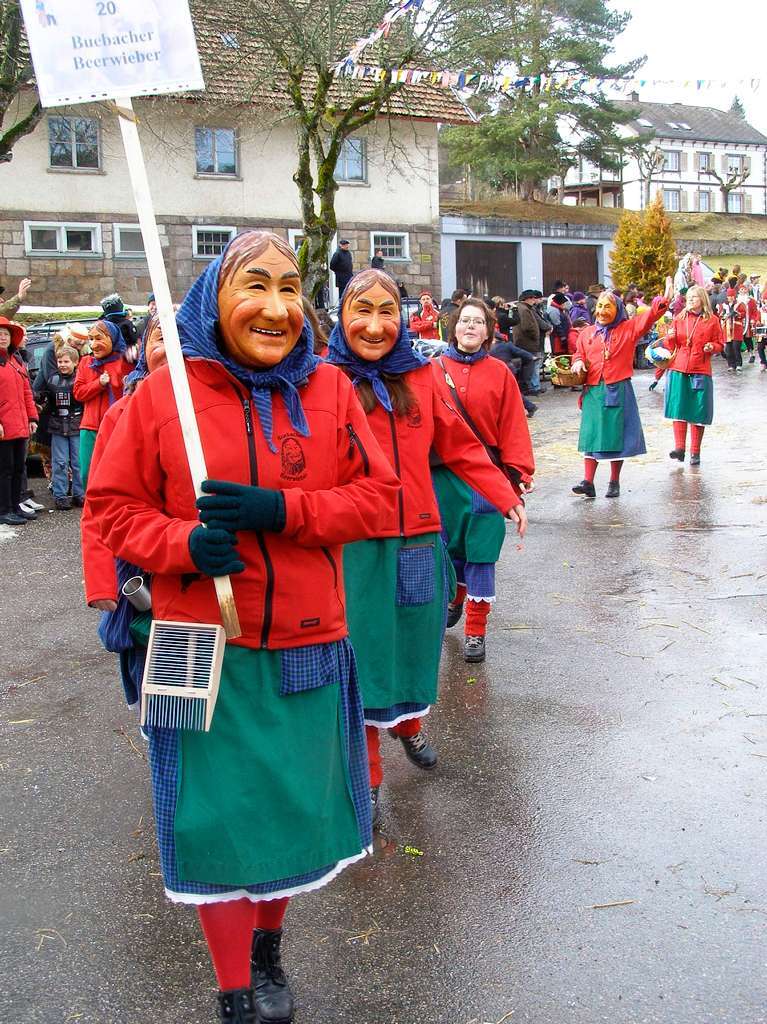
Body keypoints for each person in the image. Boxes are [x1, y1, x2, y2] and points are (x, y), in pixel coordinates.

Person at [87, 231, 400, 1024]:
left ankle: (267, 951)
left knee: (289, 816)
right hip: (192, 643)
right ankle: (233, 989)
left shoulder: (331, 392)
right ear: (212, 300)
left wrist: (286, 512)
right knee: (208, 820)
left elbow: (379, 498)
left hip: (306, 639)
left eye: (290, 287)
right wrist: (180, 544)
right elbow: (110, 509)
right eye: (253, 285)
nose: (274, 305)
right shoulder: (163, 397)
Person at [325, 269, 521, 822]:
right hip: (357, 544)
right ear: (342, 315)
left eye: (387, 310)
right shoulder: (324, 381)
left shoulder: (424, 376)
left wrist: (504, 492)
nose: (375, 323)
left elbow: (460, 444)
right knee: (361, 659)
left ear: (403, 318)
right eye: (362, 309)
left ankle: (409, 728)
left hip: (417, 539)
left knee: (414, 648)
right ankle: (367, 778)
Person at [432, 299, 534, 662]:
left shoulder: (501, 373)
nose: (470, 327)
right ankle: (455, 598)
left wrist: (519, 472)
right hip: (443, 478)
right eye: (464, 321)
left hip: (488, 478)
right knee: (449, 550)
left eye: (478, 322)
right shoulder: (430, 371)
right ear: (453, 327)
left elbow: (513, 427)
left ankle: (476, 631)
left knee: (482, 553)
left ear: (489, 331)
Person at [570, 278, 672, 499]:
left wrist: (664, 299)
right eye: (599, 306)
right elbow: (579, 353)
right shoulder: (587, 333)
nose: (602, 311)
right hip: (593, 390)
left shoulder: (628, 328)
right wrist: (577, 362)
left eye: (608, 306)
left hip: (618, 388)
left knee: (617, 437)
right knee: (592, 436)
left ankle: (614, 482)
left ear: (617, 310)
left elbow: (650, 316)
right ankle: (588, 482)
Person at [663, 286, 724, 466]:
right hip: (679, 368)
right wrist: (670, 337)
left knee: (698, 412)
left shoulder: (712, 320)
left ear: (703, 299)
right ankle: (679, 448)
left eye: (695, 297)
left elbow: (720, 344)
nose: (690, 300)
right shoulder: (678, 318)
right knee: (679, 408)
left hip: (700, 368)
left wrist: (711, 347)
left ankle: (695, 452)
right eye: (688, 297)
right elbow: (670, 345)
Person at [74, 320, 132, 487]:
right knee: (87, 474)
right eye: (90, 339)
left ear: (112, 338)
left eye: (98, 338)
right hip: (90, 427)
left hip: (115, 426)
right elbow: (78, 393)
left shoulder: (124, 362)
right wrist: (99, 383)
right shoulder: (86, 363)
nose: (93, 344)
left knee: (114, 474)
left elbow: (128, 393)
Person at [0, 317, 38, 526]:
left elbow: (26, 392)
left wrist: (32, 417)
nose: (2, 337)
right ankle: (3, 509)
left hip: (19, 424)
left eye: (5, 334)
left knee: (17, 468)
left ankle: (14, 506)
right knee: (4, 470)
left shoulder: (15, 361)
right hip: (3, 427)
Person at [38, 344, 85, 510]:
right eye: (59, 361)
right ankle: (60, 495)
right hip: (57, 426)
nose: (62, 364)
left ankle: (80, 495)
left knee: (79, 462)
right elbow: (45, 400)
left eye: (66, 361)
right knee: (60, 463)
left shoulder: (80, 379)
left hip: (76, 425)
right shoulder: (52, 380)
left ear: (75, 362)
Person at [512, 290, 546, 394]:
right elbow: (527, 326)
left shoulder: (523, 308)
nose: (534, 300)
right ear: (526, 299)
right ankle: (533, 387)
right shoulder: (525, 309)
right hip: (527, 341)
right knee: (531, 365)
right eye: (532, 298)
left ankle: (531, 387)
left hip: (524, 341)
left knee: (528, 365)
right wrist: (535, 336)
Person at [720, 288, 745, 372]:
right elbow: (721, 315)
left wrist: (736, 314)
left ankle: (738, 364)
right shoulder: (724, 305)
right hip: (727, 329)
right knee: (728, 349)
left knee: (736, 348)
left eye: (731, 296)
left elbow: (743, 314)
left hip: (736, 329)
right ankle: (731, 364)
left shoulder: (739, 304)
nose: (730, 298)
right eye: (729, 296)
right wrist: (723, 315)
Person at [735, 284, 759, 364]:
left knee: (747, 339)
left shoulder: (750, 300)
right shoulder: (736, 300)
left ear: (746, 290)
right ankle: (737, 358)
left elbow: (754, 311)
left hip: (747, 322)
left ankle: (751, 354)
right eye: (741, 289)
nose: (742, 291)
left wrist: (753, 319)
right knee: (736, 341)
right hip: (738, 323)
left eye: (744, 289)